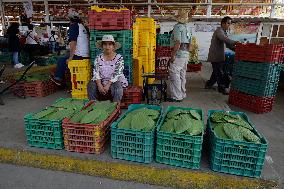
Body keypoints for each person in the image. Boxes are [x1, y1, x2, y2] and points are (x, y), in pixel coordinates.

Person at [50, 10, 90, 86]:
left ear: (70, 19)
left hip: (80, 55)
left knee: (61, 60)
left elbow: (73, 43)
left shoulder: (74, 26)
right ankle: (62, 80)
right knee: (65, 57)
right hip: (86, 54)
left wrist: (70, 58)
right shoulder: (82, 27)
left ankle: (58, 79)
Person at [87, 35, 128, 103]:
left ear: (113, 46)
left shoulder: (119, 58)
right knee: (90, 85)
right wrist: (100, 85)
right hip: (101, 82)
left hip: (114, 81)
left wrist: (108, 84)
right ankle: (94, 105)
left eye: (110, 44)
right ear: (102, 46)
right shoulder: (98, 58)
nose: (107, 47)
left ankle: (115, 105)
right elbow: (96, 72)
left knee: (117, 87)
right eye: (105, 44)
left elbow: (118, 73)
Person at [205, 16, 238, 95]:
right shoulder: (219, 31)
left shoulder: (224, 32)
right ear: (223, 23)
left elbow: (228, 45)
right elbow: (224, 39)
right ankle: (222, 88)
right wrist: (235, 42)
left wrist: (237, 49)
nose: (229, 25)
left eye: (230, 24)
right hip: (215, 56)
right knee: (219, 73)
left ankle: (208, 85)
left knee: (216, 72)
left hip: (219, 57)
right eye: (228, 23)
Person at [168, 9, 191, 102]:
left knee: (174, 74)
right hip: (185, 54)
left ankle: (177, 96)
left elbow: (177, 42)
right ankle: (182, 93)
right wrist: (187, 54)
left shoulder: (178, 27)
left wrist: (173, 55)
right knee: (182, 75)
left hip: (179, 54)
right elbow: (190, 44)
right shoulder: (187, 28)